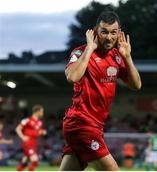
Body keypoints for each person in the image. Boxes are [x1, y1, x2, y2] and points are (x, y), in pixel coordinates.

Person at [60, 11, 141, 171]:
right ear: (96, 31)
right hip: (82, 124)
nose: (109, 37)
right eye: (104, 31)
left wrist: (128, 58)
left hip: (95, 125)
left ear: (119, 33)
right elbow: (72, 77)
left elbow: (136, 85)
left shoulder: (117, 57)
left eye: (113, 32)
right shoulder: (80, 52)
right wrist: (90, 48)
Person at [16, 105, 47, 171]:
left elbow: (37, 132)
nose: (42, 113)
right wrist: (23, 137)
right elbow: (18, 129)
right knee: (35, 160)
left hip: (34, 143)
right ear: (37, 112)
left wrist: (42, 132)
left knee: (24, 162)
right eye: (42, 111)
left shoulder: (39, 123)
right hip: (28, 143)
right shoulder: (27, 120)